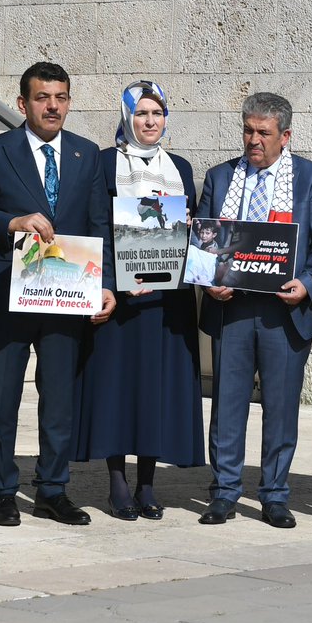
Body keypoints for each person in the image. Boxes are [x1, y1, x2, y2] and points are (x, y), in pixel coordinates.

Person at [0, 61, 115, 528]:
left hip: (66, 293)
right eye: (42, 97)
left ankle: (53, 489)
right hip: (6, 292)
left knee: (59, 398)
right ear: (23, 103)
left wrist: (106, 284)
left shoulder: (87, 155)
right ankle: (1, 491)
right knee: (3, 397)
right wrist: (12, 222)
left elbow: (99, 224)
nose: (53, 106)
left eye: (60, 97)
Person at [196, 92, 312, 529]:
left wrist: (308, 284)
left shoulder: (311, 179)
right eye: (248, 130)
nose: (253, 140)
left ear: (285, 136)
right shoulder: (220, 177)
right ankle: (224, 491)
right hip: (232, 309)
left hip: (283, 313)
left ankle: (274, 494)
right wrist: (208, 278)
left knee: (281, 407)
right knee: (227, 404)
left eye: (263, 132)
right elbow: (202, 240)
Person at [73, 80, 204, 521]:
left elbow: (189, 229)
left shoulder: (180, 167)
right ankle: (117, 483)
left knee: (155, 389)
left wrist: (189, 226)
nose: (150, 121)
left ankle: (147, 485)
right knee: (117, 388)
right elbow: (96, 223)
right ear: (127, 117)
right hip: (121, 299)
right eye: (142, 113)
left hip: (168, 300)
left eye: (157, 113)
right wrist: (113, 282)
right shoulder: (105, 162)